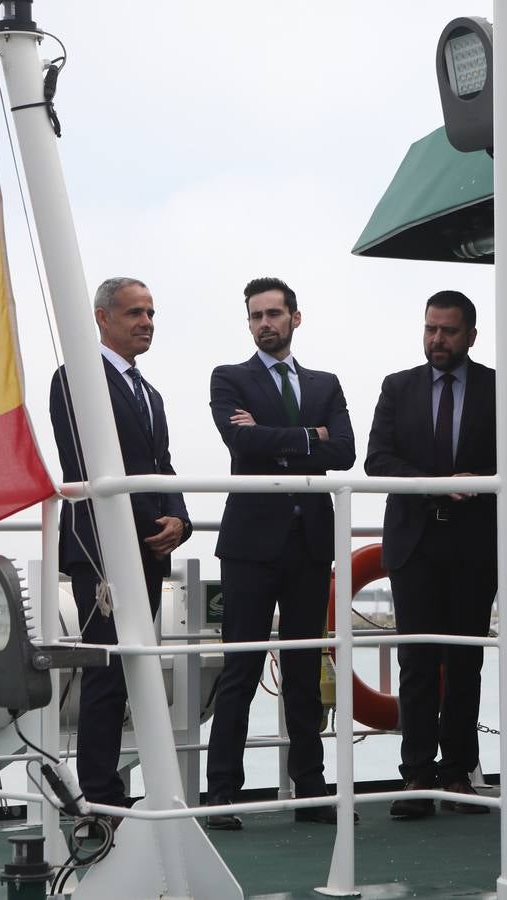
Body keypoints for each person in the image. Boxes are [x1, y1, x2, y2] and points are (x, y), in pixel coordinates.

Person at [203, 276, 356, 830]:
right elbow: (240, 441)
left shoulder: (325, 383)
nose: (264, 323)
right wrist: (306, 437)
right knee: (239, 671)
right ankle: (222, 794)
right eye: (255, 316)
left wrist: (278, 436)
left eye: (273, 313)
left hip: (310, 545)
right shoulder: (229, 378)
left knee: (302, 672)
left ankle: (312, 791)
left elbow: (343, 452)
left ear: (295, 317)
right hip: (249, 546)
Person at [48, 276, 191, 812]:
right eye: (134, 313)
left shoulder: (149, 394)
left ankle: (130, 792)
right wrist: (153, 522)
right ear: (103, 318)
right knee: (105, 674)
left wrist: (178, 519)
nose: (146, 323)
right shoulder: (74, 380)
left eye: (151, 313)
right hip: (100, 551)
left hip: (150, 548)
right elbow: (85, 465)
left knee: (135, 668)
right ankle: (101, 799)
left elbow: (161, 466)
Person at [364, 290, 497, 820]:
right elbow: (377, 460)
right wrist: (439, 484)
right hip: (415, 542)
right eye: (430, 329)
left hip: (474, 542)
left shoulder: (496, 388)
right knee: (417, 663)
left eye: (447, 331)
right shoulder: (398, 388)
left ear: (470, 335)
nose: (436, 340)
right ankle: (416, 775)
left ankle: (459, 773)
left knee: (466, 662)